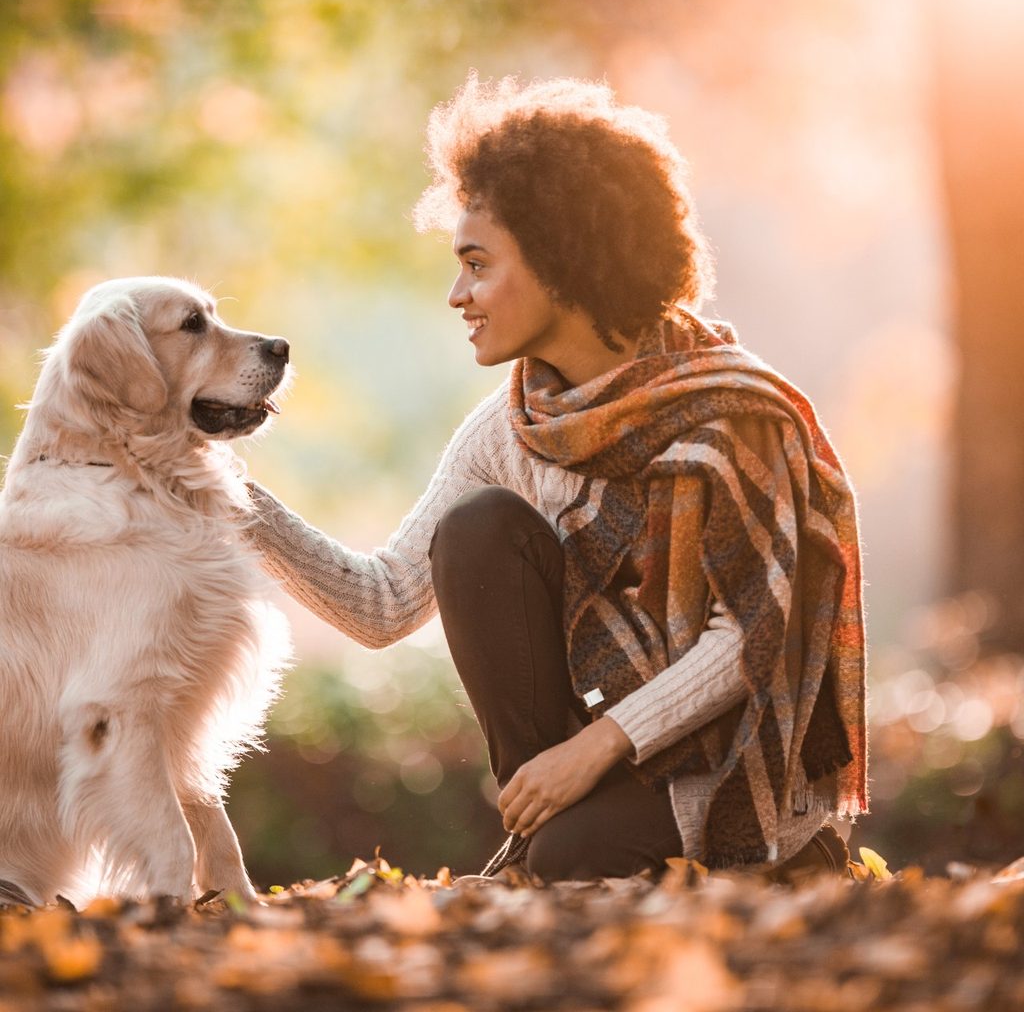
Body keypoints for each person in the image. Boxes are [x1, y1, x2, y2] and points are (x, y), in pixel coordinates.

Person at [247, 73, 867, 882]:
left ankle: (766, 852)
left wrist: (592, 751)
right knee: (477, 532)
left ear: (560, 258)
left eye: (476, 264)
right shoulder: (509, 428)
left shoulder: (731, 413)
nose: (456, 294)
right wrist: (235, 499)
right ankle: (553, 836)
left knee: (570, 858)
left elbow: (752, 635)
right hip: (609, 766)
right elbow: (382, 604)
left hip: (738, 766)